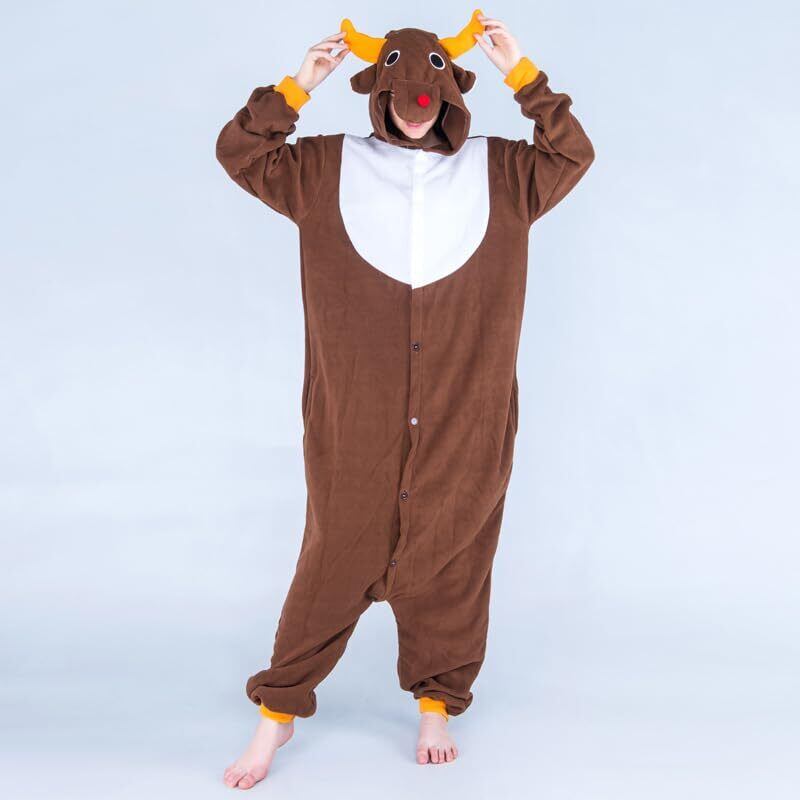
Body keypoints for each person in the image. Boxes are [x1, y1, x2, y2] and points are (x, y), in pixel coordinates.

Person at [216, 10, 594, 789]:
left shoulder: (504, 172)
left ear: (452, 96)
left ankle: (436, 703)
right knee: (335, 554)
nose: (415, 109)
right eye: (399, 96)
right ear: (377, 95)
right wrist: (298, 86)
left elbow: (571, 152)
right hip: (356, 415)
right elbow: (241, 151)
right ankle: (276, 713)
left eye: (429, 96)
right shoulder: (324, 168)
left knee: (454, 555)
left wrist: (523, 75)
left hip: (466, 411)